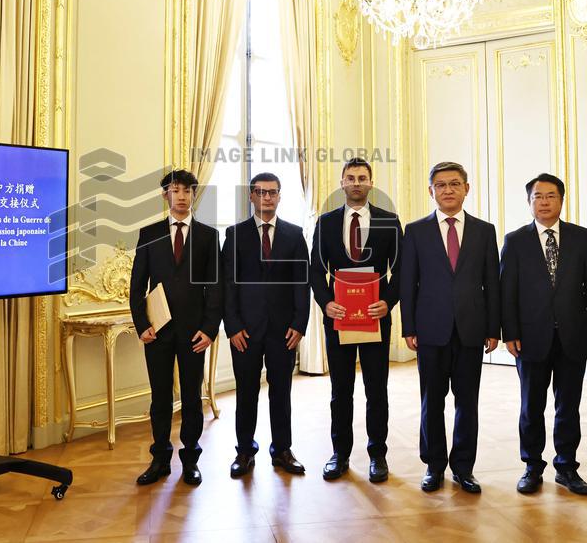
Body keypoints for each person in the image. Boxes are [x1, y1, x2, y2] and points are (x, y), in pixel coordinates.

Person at [500, 173, 587, 496]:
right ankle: (532, 466)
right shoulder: (515, 241)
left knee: (568, 406)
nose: (544, 202)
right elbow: (507, 292)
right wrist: (510, 333)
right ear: (529, 202)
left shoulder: (581, 237)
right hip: (530, 337)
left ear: (561, 200)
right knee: (531, 406)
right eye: (538, 196)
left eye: (551, 196)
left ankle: (567, 467)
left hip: (574, 335)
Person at [400, 161, 500, 494]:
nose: (448, 190)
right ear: (431, 191)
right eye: (441, 185)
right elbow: (408, 283)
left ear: (466, 189)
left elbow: (492, 283)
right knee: (432, 400)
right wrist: (409, 327)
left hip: (471, 329)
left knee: (467, 401)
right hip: (430, 329)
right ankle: (433, 466)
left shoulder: (484, 231)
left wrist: (493, 328)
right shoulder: (416, 231)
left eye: (455, 184)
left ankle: (464, 468)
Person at [309, 158, 401, 483]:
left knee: (376, 391)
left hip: (375, 319)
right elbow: (315, 270)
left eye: (362, 177)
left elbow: (401, 270)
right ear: (342, 182)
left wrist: (388, 302)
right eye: (351, 177)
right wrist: (326, 303)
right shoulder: (326, 222)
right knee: (340, 391)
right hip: (339, 319)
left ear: (371, 183)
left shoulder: (389, 221)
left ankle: (377, 455)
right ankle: (340, 454)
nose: (357, 182)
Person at [129, 169, 222, 486]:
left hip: (195, 332)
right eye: (175, 190)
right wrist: (142, 324)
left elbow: (216, 287)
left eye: (187, 190)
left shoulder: (209, 236)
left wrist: (209, 328)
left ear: (194, 194)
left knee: (193, 398)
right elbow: (137, 285)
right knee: (160, 398)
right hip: (158, 331)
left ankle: (191, 459)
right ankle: (159, 459)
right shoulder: (149, 234)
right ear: (165, 194)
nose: (181, 196)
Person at [222, 172, 310, 478]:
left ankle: (282, 450)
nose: (267, 197)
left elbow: (302, 282)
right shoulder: (235, 234)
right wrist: (232, 326)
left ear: (279, 196)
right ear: (251, 196)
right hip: (244, 331)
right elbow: (227, 284)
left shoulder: (294, 235)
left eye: (272, 192)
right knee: (246, 392)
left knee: (281, 392)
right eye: (260, 192)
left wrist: (300, 323)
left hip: (283, 331)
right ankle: (245, 451)